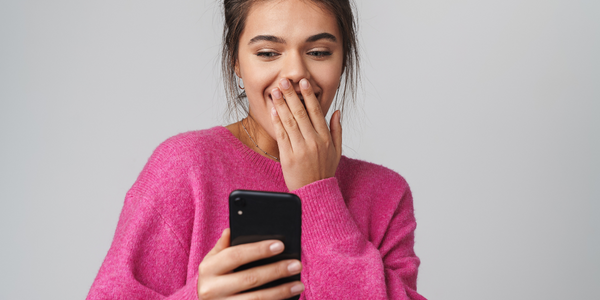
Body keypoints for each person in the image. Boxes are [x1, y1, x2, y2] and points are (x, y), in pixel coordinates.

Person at [87, 0, 426, 299]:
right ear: (236, 60)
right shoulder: (185, 167)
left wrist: (317, 194)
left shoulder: (386, 194)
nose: (294, 73)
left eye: (319, 52)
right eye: (267, 53)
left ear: (343, 61)